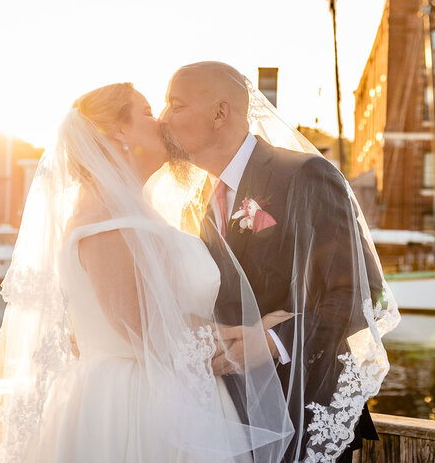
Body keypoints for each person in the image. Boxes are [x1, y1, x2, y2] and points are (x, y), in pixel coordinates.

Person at [0, 83, 292, 463]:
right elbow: (144, 326)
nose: (163, 122)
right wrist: (248, 336)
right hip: (133, 410)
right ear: (120, 132)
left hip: (175, 398)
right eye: (149, 113)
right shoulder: (104, 215)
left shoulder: (136, 210)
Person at [160, 61, 400, 463]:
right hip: (227, 420)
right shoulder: (195, 202)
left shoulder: (306, 175)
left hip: (303, 415)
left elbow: (364, 296)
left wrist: (272, 342)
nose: (163, 120)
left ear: (221, 112)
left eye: (176, 105)